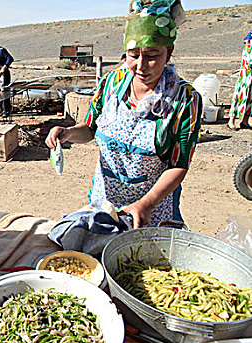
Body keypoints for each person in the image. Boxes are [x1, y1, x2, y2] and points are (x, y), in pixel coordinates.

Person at [46, 0, 202, 229]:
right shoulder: (111, 84)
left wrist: (145, 204)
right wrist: (67, 133)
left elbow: (179, 164)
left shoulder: (185, 100)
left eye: (152, 55)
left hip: (152, 210)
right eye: (133, 55)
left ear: (169, 53)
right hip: (105, 204)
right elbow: (90, 128)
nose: (141, 65)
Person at [228, 30, 252, 131]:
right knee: (239, 98)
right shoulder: (248, 50)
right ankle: (231, 121)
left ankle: (245, 121)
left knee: (250, 100)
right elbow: (249, 63)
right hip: (245, 79)